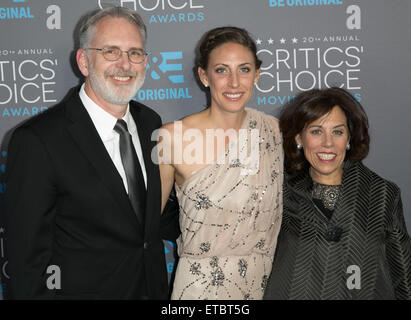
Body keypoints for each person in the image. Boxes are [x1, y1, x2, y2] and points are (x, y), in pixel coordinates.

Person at [4, 7, 179, 299]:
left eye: (135, 53)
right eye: (111, 51)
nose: (125, 64)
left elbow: (150, 219)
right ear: (84, 61)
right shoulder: (37, 140)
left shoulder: (151, 122)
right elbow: (26, 264)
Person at [158, 26, 283, 300]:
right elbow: (144, 225)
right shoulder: (172, 138)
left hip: (266, 284)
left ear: (257, 74)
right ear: (204, 76)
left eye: (244, 69)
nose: (234, 82)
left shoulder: (274, 132)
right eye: (222, 70)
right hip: (199, 290)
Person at [264, 87, 411, 300]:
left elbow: (403, 273)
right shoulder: (278, 192)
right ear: (298, 138)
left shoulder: (382, 194)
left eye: (337, 131)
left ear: (349, 138)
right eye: (316, 131)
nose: (328, 143)